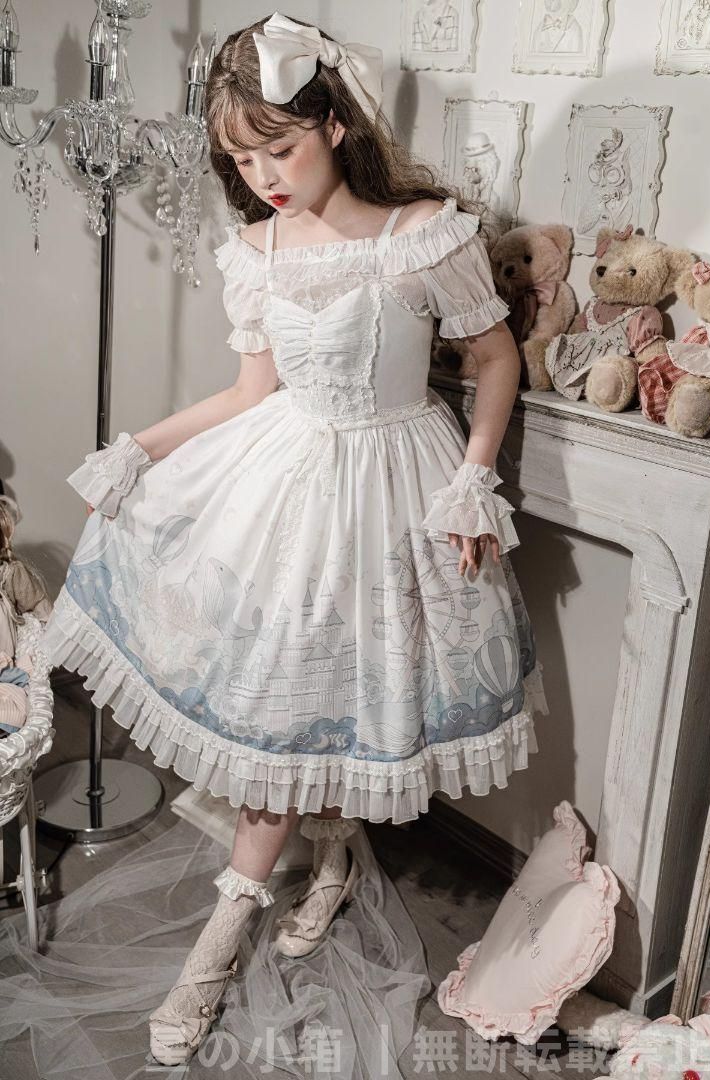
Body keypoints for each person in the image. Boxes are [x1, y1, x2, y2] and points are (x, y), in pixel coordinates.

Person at [38, 10, 547, 1068]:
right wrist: (138, 449)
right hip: (287, 484)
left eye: (278, 146)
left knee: (347, 700)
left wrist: (473, 480)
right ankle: (288, 892)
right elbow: (247, 393)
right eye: (241, 159)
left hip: (396, 486)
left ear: (333, 123)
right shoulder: (258, 253)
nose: (263, 176)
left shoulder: (425, 234)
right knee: (286, 710)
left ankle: (252, 923)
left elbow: (494, 359)